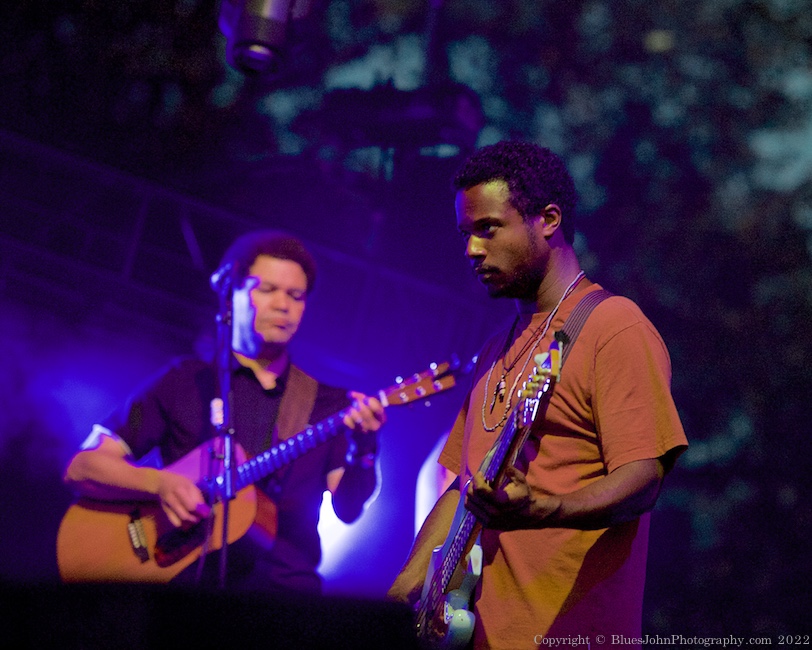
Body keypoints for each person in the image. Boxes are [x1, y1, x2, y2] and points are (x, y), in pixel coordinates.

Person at [387, 141, 688, 649]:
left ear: (548, 219)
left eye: (488, 228)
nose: (471, 250)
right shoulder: (493, 352)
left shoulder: (614, 327)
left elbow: (643, 478)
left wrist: (539, 511)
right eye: (466, 234)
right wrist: (397, 598)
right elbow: (464, 488)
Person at [63, 230, 386, 595]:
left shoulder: (329, 404)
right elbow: (83, 466)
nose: (283, 304)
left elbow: (347, 509)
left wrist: (364, 448)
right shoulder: (183, 380)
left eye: (295, 296)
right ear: (230, 294)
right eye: (267, 289)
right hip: (178, 585)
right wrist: (160, 483)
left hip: (282, 598)